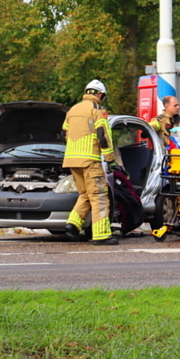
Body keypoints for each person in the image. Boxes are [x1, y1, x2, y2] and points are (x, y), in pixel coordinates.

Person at [63, 79, 119, 246]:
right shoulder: (98, 110)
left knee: (85, 194)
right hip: (90, 160)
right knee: (99, 197)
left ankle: (73, 223)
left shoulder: (72, 110)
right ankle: (101, 235)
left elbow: (63, 134)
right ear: (100, 95)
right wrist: (110, 159)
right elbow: (103, 136)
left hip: (72, 160)